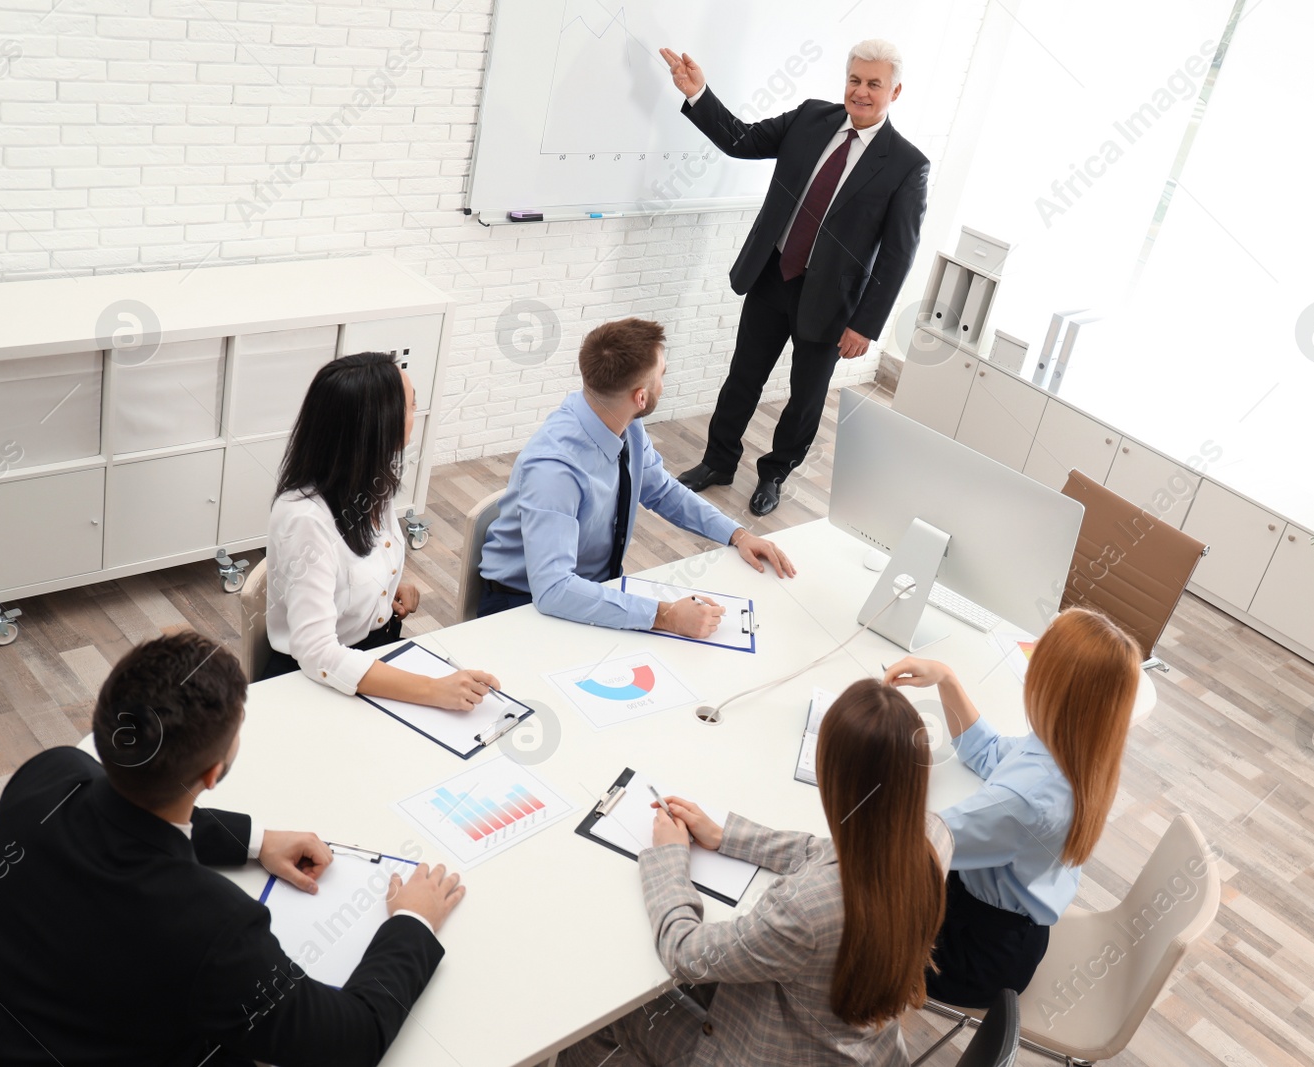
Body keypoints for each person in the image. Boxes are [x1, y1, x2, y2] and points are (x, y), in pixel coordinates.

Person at [0, 631, 465, 1066]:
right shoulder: (216, 928)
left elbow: (120, 804)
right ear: (214, 773)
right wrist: (411, 924)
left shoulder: (47, 778)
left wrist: (257, 841)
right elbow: (353, 1038)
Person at [557, 678, 951, 1066]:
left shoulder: (804, 911)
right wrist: (725, 836)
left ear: (832, 773)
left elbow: (684, 953)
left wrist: (670, 857)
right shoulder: (932, 836)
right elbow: (822, 850)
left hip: (770, 1052)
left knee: (605, 1019)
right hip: (866, 1049)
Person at [660, 39, 929, 517]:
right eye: (854, 80)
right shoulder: (810, 118)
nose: (861, 92)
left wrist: (866, 325)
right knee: (743, 377)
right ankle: (718, 462)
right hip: (772, 274)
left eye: (874, 84)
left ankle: (775, 473)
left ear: (895, 91)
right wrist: (700, 93)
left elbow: (898, 255)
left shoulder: (907, 165)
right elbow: (740, 140)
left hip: (832, 299)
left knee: (805, 399)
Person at [885, 607, 1141, 1004]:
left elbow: (920, 840)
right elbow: (988, 752)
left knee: (853, 920)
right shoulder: (1078, 750)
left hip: (977, 953)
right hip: (1006, 921)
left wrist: (869, 775)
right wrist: (946, 678)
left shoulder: (1030, 798)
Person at [477, 317, 795, 634]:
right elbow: (553, 590)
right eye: (662, 376)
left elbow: (661, 490)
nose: (664, 384)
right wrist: (665, 615)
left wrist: (737, 534)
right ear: (641, 397)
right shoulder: (554, 470)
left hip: (590, 588)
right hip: (523, 606)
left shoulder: (624, 421)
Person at [261, 350, 499, 710]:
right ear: (377, 424)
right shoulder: (305, 519)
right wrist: (434, 690)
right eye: (411, 407)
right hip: (314, 681)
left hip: (376, 650)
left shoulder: (373, 482)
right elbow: (317, 653)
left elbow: (352, 564)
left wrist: (384, 591)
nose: (416, 415)